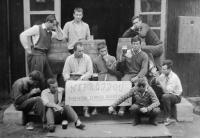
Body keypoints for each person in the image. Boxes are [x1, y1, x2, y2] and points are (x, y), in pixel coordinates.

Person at [20, 14, 63, 90]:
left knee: (49, 77)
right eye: (53, 25)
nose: (54, 27)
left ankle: (45, 95)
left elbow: (61, 36)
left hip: (44, 56)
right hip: (36, 56)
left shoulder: (51, 33)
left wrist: (58, 25)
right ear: (48, 22)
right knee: (37, 78)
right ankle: (35, 97)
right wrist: (27, 49)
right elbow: (23, 35)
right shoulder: (37, 28)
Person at [117, 36, 149, 116]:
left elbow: (144, 69)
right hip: (128, 74)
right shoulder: (127, 53)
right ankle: (122, 107)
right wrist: (121, 59)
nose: (135, 46)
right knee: (123, 83)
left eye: (137, 44)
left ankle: (143, 106)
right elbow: (121, 67)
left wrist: (137, 77)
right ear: (131, 44)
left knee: (144, 83)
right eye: (133, 44)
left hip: (139, 74)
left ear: (140, 45)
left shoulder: (144, 55)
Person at [62, 42, 93, 117]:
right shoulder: (69, 59)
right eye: (79, 51)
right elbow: (65, 72)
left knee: (86, 85)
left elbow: (90, 72)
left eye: (82, 50)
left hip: (83, 76)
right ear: (74, 51)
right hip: (72, 77)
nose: (81, 52)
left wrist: (81, 78)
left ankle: (85, 109)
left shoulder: (87, 58)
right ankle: (70, 111)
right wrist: (68, 79)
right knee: (68, 87)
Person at [151, 60, 182, 126]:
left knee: (165, 96)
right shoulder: (164, 74)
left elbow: (166, 91)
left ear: (169, 69)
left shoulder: (173, 77)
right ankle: (156, 108)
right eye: (162, 69)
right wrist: (155, 77)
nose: (162, 70)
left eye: (164, 69)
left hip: (176, 96)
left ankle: (167, 117)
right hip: (168, 93)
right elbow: (156, 82)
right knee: (154, 87)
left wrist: (160, 81)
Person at [92, 42, 119, 115]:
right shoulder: (95, 60)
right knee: (96, 86)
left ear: (107, 50)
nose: (104, 53)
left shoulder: (112, 58)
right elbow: (95, 72)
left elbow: (114, 71)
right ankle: (96, 108)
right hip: (101, 76)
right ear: (98, 51)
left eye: (105, 51)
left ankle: (113, 107)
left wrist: (107, 61)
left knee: (114, 85)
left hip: (111, 75)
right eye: (102, 51)